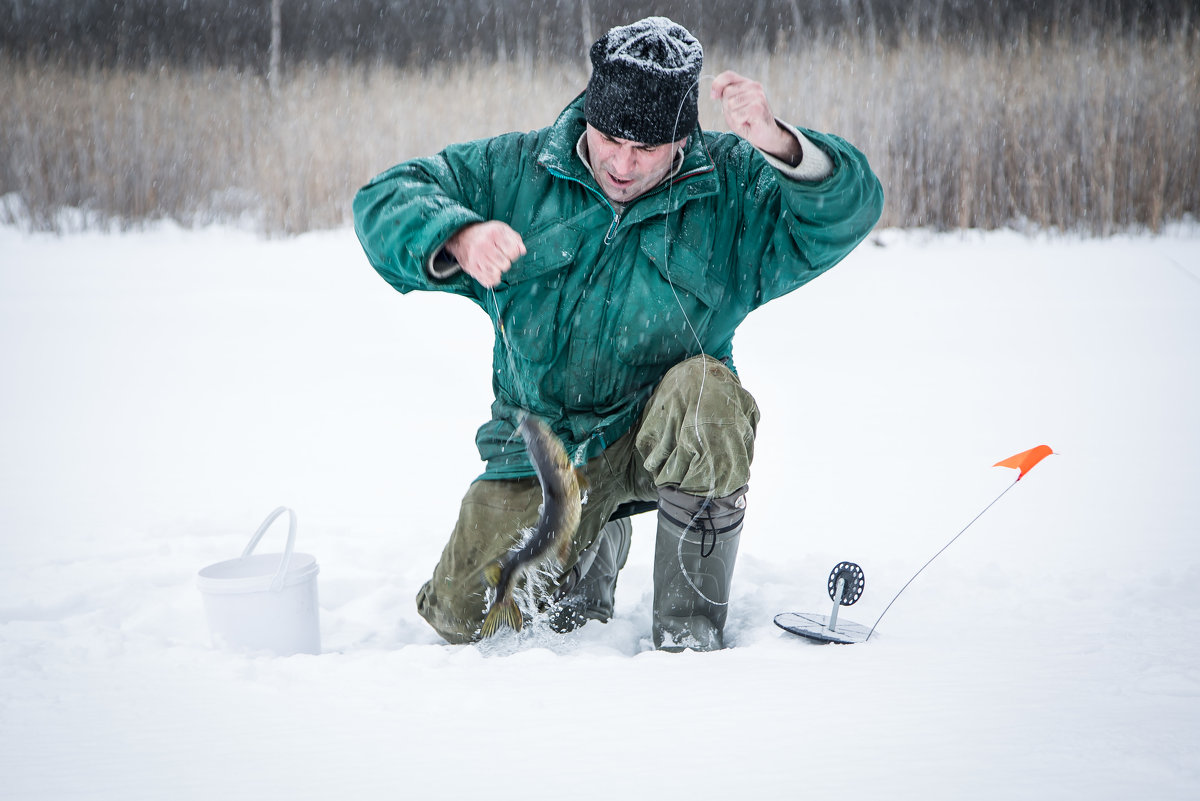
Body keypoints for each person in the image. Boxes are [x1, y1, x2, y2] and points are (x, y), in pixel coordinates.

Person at [353, 16, 883, 651]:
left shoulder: (733, 187)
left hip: (656, 434)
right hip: (543, 446)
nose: (623, 164)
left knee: (707, 395)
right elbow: (383, 198)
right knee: (465, 618)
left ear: (681, 139)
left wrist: (779, 142)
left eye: (646, 149)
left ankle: (688, 627)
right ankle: (594, 538)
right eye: (609, 139)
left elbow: (852, 209)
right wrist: (457, 235)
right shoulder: (516, 172)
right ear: (589, 117)